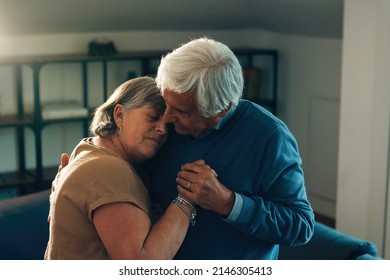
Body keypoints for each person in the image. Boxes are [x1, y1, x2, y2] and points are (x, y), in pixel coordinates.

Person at [144, 37, 315, 259]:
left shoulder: (270, 137)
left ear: (222, 109)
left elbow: (300, 227)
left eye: (183, 112)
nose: (166, 117)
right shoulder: (161, 123)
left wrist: (228, 203)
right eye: (167, 103)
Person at [45, 76, 197, 260]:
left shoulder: (87, 148)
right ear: (119, 114)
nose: (163, 130)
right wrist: (188, 197)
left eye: (168, 125)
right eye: (152, 117)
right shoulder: (108, 170)